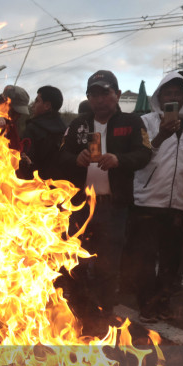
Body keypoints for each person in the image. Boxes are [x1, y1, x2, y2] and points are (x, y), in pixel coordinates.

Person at [58, 70, 152, 322]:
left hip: (113, 206)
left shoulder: (132, 122)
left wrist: (119, 159)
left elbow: (145, 154)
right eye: (94, 94)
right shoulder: (78, 124)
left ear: (117, 94)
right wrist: (75, 159)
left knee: (108, 264)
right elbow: (61, 155)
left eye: (105, 93)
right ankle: (79, 313)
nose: (99, 99)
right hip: (79, 206)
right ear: (88, 97)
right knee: (75, 260)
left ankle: (105, 314)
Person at [128, 72, 183, 322]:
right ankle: (146, 303)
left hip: (178, 204)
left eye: (178, 92)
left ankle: (162, 302)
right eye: (167, 92)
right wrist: (160, 135)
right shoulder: (144, 122)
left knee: (172, 259)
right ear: (159, 97)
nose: (173, 97)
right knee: (145, 258)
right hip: (147, 200)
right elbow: (139, 157)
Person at [21, 85, 66, 181]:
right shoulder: (65, 129)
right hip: (58, 185)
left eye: (37, 101)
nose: (33, 105)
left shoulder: (33, 128)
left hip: (35, 183)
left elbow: (26, 160)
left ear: (47, 106)